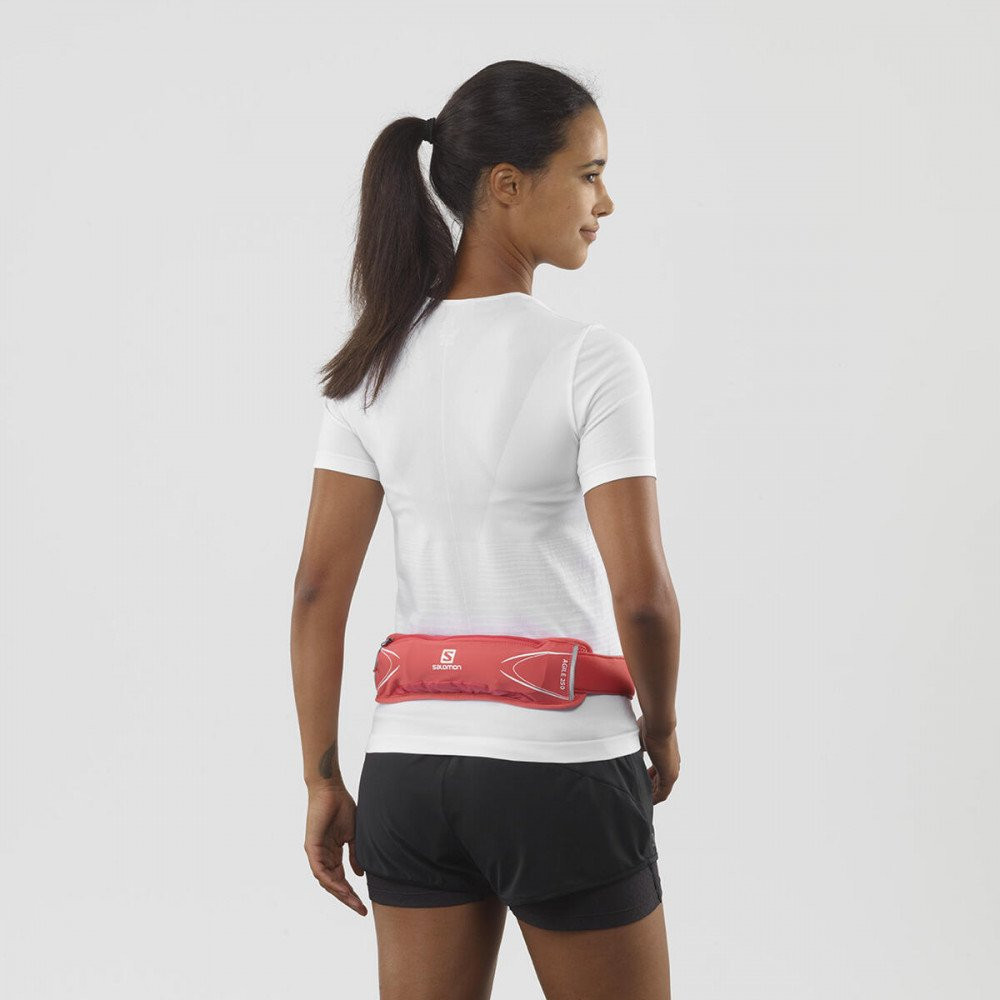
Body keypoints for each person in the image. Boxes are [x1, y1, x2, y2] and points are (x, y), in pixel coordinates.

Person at [291, 59, 682, 1000]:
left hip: (410, 770)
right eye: (589, 174)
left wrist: (322, 779)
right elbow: (642, 598)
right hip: (561, 770)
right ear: (507, 185)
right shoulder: (591, 361)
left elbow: (314, 594)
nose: (605, 202)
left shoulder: (371, 367)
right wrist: (662, 727)